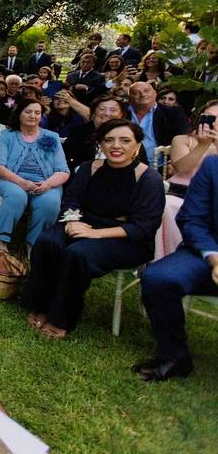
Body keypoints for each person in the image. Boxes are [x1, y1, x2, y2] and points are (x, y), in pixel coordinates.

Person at [24, 120, 165, 339]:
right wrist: (71, 221)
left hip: (126, 238)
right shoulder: (90, 168)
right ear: (101, 144)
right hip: (83, 223)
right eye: (109, 140)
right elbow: (71, 200)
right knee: (47, 242)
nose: (116, 146)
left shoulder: (149, 179)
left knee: (77, 253)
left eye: (125, 140)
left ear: (137, 146)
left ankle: (62, 318)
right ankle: (40, 305)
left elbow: (143, 227)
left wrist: (96, 234)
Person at [136, 155, 218, 381]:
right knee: (157, 278)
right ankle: (174, 356)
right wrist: (214, 258)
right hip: (205, 254)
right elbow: (192, 218)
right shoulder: (212, 165)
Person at [0, 98, 70, 249]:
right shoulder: (7, 135)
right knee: (16, 196)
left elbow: (63, 171)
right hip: (11, 179)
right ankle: (0, 240)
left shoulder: (51, 137)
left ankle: (34, 244)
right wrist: (21, 182)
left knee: (50, 203)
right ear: (19, 113)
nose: (33, 115)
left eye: (37, 112)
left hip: (44, 182)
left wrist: (47, 184)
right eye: (28, 111)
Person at [153, 100, 218, 259]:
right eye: (209, 117)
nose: (214, 122)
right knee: (166, 205)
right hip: (179, 193)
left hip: (209, 197)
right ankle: (168, 258)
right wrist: (202, 145)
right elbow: (182, 168)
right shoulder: (182, 139)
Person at [128, 82, 190, 165]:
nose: (142, 95)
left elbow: (183, 138)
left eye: (146, 91)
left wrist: (173, 162)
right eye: (136, 93)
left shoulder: (173, 113)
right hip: (126, 166)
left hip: (161, 167)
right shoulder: (122, 112)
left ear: (154, 94)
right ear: (129, 97)